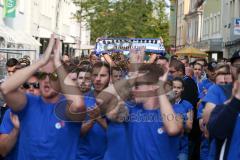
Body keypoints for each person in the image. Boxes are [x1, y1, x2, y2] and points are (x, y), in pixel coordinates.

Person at [0, 34, 86, 160]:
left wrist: (58, 63)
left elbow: (78, 105)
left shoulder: (66, 107)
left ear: (61, 79)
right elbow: (5, 88)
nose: (46, 80)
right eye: (42, 75)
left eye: (53, 76)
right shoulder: (28, 103)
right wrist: (41, 61)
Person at [0, 73, 40, 158]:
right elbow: (2, 150)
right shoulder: (11, 113)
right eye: (26, 85)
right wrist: (16, 129)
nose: (31, 89)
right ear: (21, 89)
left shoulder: (52, 112)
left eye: (36, 85)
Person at [77, 62, 110, 160]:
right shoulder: (81, 100)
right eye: (95, 75)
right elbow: (77, 133)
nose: (98, 79)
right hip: (82, 157)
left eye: (103, 75)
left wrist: (98, 118)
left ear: (109, 77)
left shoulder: (117, 101)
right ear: (91, 77)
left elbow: (118, 135)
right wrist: (92, 121)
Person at [172, 77, 193, 160]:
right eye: (173, 87)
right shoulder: (163, 104)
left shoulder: (188, 105)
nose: (175, 90)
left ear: (182, 89)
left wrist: (181, 122)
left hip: (182, 148)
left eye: (178, 88)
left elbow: (189, 128)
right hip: (166, 146)